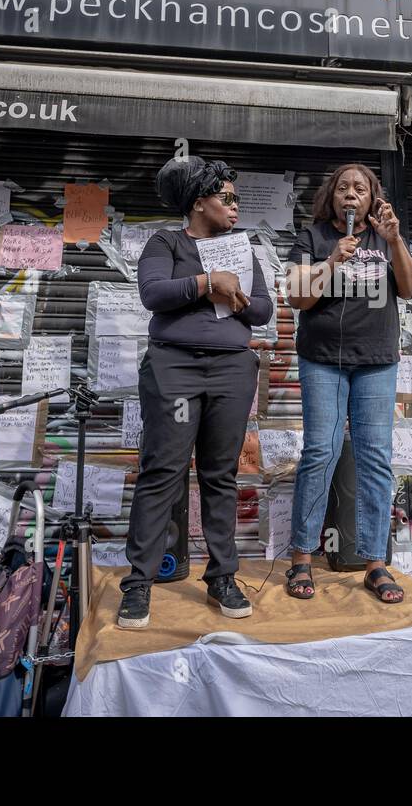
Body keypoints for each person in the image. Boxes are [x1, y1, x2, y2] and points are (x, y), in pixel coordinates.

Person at [117, 156, 274, 629]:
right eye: (226, 198)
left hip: (231, 371)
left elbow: (264, 309)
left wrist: (234, 293)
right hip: (176, 369)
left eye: (237, 199)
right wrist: (207, 283)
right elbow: (153, 293)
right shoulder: (167, 242)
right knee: (162, 471)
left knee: (220, 474)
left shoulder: (240, 252)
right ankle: (138, 583)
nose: (234, 206)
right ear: (199, 202)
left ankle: (222, 576)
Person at [282, 163, 412, 602]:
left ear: (373, 197)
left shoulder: (385, 238)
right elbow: (297, 296)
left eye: (360, 188)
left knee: (375, 459)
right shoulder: (314, 237)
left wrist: (396, 239)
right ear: (332, 195)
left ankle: (375, 562)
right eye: (343, 187)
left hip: (376, 362)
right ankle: (302, 557)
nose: (350, 194)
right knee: (320, 451)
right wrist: (330, 261)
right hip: (322, 360)